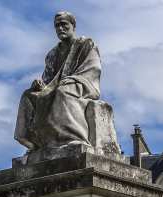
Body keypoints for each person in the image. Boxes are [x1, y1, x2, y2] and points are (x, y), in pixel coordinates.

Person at [14, 11, 102, 154]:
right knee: (28, 95)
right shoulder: (52, 54)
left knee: (63, 91)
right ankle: (34, 142)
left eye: (64, 24)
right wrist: (40, 84)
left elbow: (92, 69)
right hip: (56, 87)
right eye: (57, 26)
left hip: (81, 84)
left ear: (73, 25)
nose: (60, 28)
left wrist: (72, 80)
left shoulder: (86, 45)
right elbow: (48, 80)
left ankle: (73, 137)